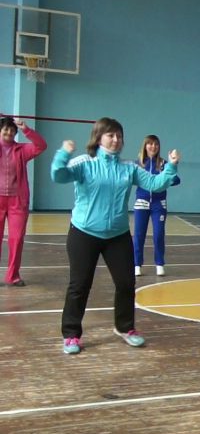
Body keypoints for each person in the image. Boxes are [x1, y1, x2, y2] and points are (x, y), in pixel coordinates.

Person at [50, 117, 181, 354]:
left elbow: (155, 184)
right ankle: (71, 334)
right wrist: (63, 154)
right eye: (110, 135)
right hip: (84, 233)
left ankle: (125, 327)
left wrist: (171, 166)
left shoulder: (129, 168)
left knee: (126, 283)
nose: (116, 139)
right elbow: (58, 176)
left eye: (119, 136)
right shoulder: (84, 163)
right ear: (98, 137)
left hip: (117, 235)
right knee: (79, 285)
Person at [0, 116, 47, 287]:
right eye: (5, 129)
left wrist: (25, 129)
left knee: (17, 239)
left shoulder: (21, 150)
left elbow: (41, 145)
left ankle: (12, 276)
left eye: (12, 130)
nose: (9, 132)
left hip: (17, 202)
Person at [132, 135, 181, 277]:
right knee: (138, 235)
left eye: (156, 144)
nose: (153, 146)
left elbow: (176, 180)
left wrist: (168, 175)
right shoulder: (138, 164)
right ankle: (137, 264)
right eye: (150, 144)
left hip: (159, 204)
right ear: (145, 146)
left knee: (159, 234)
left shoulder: (164, 164)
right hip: (141, 202)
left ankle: (159, 264)